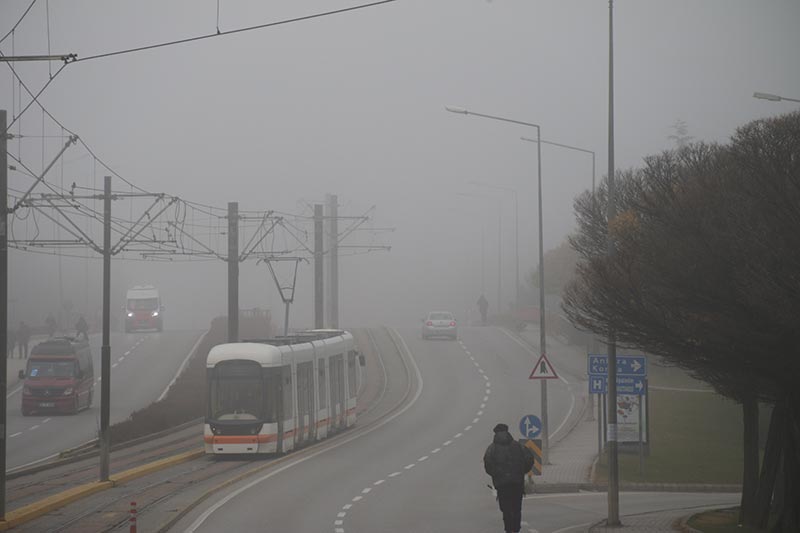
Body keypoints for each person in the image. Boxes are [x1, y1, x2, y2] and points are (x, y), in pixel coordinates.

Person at [484, 423, 535, 533]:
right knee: (516, 507)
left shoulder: (492, 449)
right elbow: (529, 459)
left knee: (506, 508)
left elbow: (488, 465)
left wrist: (496, 474)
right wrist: (522, 471)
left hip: (502, 484)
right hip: (517, 483)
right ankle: (516, 529)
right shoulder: (518, 446)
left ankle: (508, 529)